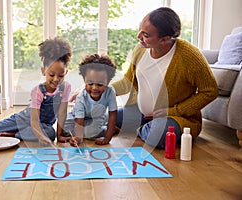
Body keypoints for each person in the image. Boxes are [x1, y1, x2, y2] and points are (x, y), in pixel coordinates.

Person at [111, 7, 218, 148]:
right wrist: (101, 90)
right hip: (141, 113)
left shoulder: (189, 56)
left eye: (146, 35)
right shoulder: (140, 49)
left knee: (159, 134)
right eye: (139, 29)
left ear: (164, 39)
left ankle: (136, 130)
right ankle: (142, 128)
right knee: (108, 118)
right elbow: (127, 82)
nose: (138, 37)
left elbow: (210, 90)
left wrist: (172, 111)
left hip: (175, 118)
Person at [0, 37, 73, 146]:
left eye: (61, 75)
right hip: (26, 118)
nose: (56, 79)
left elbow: (62, 112)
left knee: (51, 134)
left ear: (66, 72)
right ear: (43, 71)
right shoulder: (38, 91)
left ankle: (14, 134)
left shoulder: (66, 88)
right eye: (51, 75)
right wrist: (40, 136)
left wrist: (59, 136)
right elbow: (34, 119)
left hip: (44, 125)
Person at [64, 54, 118, 145]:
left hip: (96, 116)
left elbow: (113, 114)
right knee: (64, 129)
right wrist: (78, 138)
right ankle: (101, 126)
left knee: (89, 133)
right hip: (77, 117)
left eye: (100, 84)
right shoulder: (81, 98)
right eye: (90, 83)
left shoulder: (110, 92)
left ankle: (109, 129)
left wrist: (107, 138)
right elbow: (79, 120)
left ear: (107, 82)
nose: (94, 88)